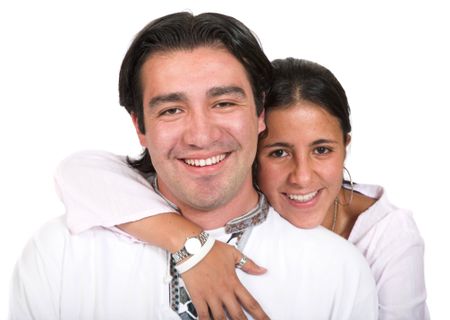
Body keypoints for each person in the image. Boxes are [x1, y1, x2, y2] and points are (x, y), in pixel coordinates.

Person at [9, 12, 378, 320]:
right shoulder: (59, 254)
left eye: (224, 104)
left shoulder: (337, 271)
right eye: (172, 110)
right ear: (140, 126)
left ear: (260, 113)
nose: (200, 136)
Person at [50, 57, 428, 319]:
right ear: (250, 145)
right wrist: (189, 244)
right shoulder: (221, 194)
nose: (302, 177)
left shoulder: (386, 236)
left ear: (347, 144)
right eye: (278, 152)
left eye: (322, 150)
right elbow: (78, 171)